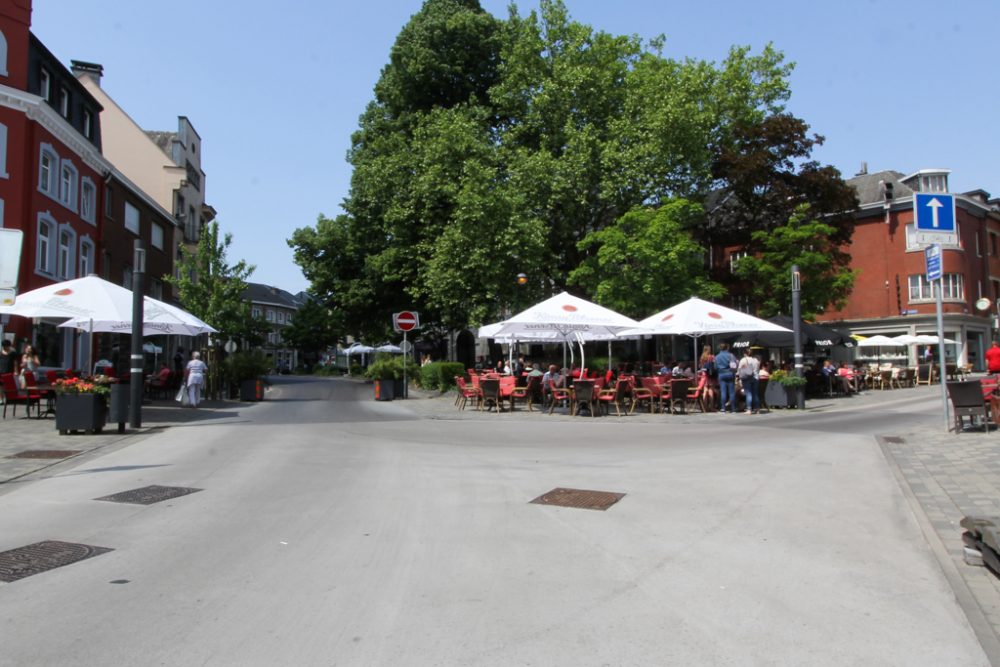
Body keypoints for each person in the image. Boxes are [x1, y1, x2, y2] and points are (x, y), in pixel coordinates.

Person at [714, 343, 736, 414]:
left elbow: (715, 367)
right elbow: (734, 366)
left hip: (721, 374)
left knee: (723, 392)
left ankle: (723, 408)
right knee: (731, 392)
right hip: (730, 374)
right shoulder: (730, 355)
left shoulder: (717, 357)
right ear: (727, 348)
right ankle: (733, 408)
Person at [737, 348, 760, 414]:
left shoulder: (743, 360)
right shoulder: (755, 360)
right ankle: (757, 409)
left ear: (745, 353)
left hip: (747, 378)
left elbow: (739, 370)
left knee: (748, 393)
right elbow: (757, 369)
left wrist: (738, 376)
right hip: (755, 378)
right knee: (755, 394)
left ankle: (749, 409)